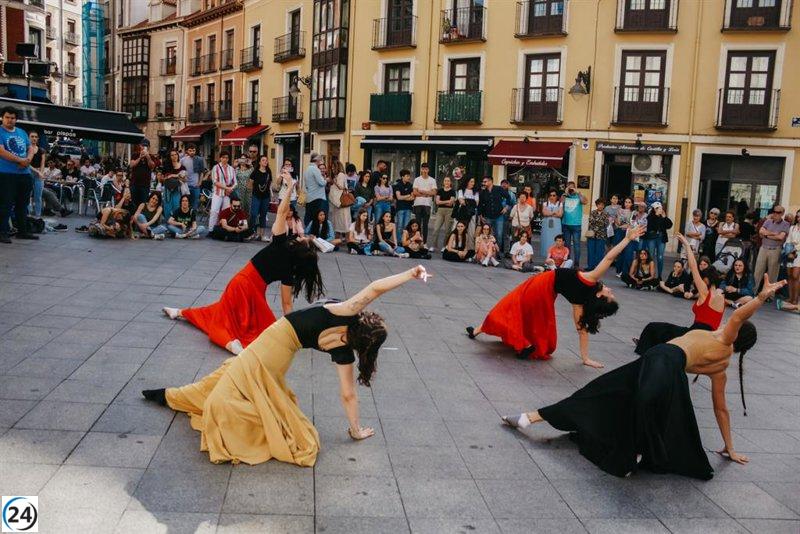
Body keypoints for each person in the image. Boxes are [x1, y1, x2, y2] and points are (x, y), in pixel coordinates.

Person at [500, 276, 785, 480]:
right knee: (602, 388)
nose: (728, 320)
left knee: (644, 400)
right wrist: (729, 447)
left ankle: (629, 455)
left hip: (666, 362)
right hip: (656, 359)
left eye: (735, 325)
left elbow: (737, 319)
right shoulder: (720, 369)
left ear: (739, 337)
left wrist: (760, 298)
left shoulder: (724, 341)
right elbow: (721, 409)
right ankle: (530, 417)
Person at [145, 265, 430, 466]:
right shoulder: (345, 349)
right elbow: (348, 394)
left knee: (225, 391)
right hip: (277, 352)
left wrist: (410, 273)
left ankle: (186, 402)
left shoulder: (347, 312)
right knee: (225, 376)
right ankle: (171, 395)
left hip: (272, 346)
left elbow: (375, 288)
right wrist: (354, 430)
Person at [163, 172, 324, 355]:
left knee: (219, 320)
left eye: (305, 241)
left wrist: (290, 187)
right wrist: (293, 333)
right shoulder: (290, 271)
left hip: (242, 283)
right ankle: (179, 312)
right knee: (223, 314)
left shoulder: (281, 242)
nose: (304, 238)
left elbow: (281, 210)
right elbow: (287, 306)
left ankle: (229, 343)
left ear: (300, 249)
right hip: (254, 293)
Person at [467, 225, 645, 367]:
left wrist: (627, 239)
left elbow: (609, 258)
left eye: (610, 294)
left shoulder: (592, 279)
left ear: (600, 296)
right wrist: (585, 358)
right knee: (520, 311)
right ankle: (499, 337)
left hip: (542, 285)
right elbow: (582, 331)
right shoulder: (581, 302)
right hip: (546, 292)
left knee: (509, 306)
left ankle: (499, 337)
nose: (611, 291)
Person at [634, 234, 726, 355]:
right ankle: (648, 345)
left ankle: (644, 346)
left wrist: (686, 244)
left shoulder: (706, 293)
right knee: (665, 332)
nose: (699, 280)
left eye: (702, 278)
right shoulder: (720, 296)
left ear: (707, 279)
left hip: (695, 335)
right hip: (701, 336)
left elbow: (693, 266)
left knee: (653, 327)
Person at [0, 106, 36, 243]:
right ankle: (3, 232)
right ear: (2, 118)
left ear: (16, 119)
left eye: (13, 118)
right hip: (6, 174)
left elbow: (30, 148)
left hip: (24, 174)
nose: (10, 120)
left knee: (23, 204)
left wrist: (28, 160)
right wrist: (20, 160)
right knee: (5, 204)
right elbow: (1, 152)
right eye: (7, 117)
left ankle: (23, 231)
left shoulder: (21, 132)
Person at [753, 205, 790, 292]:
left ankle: (769, 295)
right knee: (757, 272)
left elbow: (780, 237)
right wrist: (773, 234)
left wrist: (766, 235)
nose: (775, 214)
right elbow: (761, 232)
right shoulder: (768, 221)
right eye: (774, 211)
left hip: (775, 250)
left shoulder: (786, 224)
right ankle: (753, 292)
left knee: (772, 274)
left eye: (778, 212)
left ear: (782, 214)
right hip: (763, 248)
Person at [477, 176, 509, 256]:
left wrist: (506, 207)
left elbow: (509, 197)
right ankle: (487, 252)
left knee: (499, 234)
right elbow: (480, 204)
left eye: (485, 181)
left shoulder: (499, 189)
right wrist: (480, 215)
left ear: (491, 181)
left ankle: (497, 253)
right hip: (487, 216)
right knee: (487, 234)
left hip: (499, 216)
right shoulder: (482, 192)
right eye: (483, 182)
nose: (483, 183)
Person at [561, 181, 588, 268]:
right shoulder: (565, 196)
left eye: (572, 187)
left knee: (576, 245)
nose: (571, 189)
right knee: (567, 245)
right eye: (569, 187)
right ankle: (568, 263)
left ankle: (576, 264)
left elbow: (585, 202)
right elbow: (560, 203)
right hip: (566, 224)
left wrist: (578, 193)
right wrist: (565, 193)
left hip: (576, 224)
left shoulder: (578, 195)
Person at [643, 201, 673, 278]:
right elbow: (651, 226)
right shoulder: (650, 217)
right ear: (654, 209)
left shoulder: (663, 217)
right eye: (658, 208)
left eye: (661, 208)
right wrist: (656, 216)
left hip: (661, 239)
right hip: (652, 239)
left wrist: (665, 217)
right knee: (651, 256)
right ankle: (650, 274)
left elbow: (669, 225)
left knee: (660, 257)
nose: (660, 209)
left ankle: (659, 276)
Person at [208, 151, 237, 230]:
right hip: (218, 193)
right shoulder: (216, 168)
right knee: (214, 211)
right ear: (220, 158)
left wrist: (231, 189)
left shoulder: (231, 169)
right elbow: (215, 182)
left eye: (227, 158)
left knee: (225, 212)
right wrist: (227, 188)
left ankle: (223, 229)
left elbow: (235, 182)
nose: (225, 159)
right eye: (223, 157)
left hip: (227, 194)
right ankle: (211, 229)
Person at [779, 209, 800, 311]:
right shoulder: (792, 228)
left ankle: (796, 299)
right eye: (798, 216)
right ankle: (790, 298)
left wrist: (795, 250)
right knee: (790, 275)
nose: (799, 218)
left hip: (798, 253)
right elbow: (788, 241)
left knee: (796, 276)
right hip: (790, 252)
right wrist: (788, 251)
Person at [412, 162, 437, 247]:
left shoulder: (432, 180)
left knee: (425, 225)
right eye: (423, 169)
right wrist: (426, 194)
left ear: (428, 170)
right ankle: (416, 241)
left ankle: (425, 243)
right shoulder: (417, 179)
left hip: (427, 205)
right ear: (421, 169)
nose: (425, 171)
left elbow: (434, 192)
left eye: (426, 169)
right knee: (417, 224)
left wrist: (422, 191)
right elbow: (415, 192)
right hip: (418, 204)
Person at [248, 155, 272, 243]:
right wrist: (252, 193)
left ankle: (262, 235)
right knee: (254, 214)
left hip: (265, 196)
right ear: (259, 162)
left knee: (263, 215)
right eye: (263, 160)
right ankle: (251, 233)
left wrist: (271, 195)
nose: (265, 161)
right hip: (256, 196)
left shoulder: (268, 172)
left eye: (266, 160)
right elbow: (250, 184)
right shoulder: (255, 172)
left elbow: (270, 184)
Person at [327, 160, 352, 243]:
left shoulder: (340, 175)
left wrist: (334, 182)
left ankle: (347, 240)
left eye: (334, 167)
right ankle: (338, 240)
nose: (333, 169)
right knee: (340, 222)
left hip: (341, 202)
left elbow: (341, 187)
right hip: (339, 203)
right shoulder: (339, 175)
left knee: (344, 222)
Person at [430, 176, 456, 252]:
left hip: (449, 211)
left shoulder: (453, 191)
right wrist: (447, 201)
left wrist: (443, 201)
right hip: (440, 211)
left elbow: (451, 203)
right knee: (436, 228)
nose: (447, 182)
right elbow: (437, 202)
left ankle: (445, 246)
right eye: (445, 181)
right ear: (443, 182)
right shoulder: (440, 191)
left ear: (450, 182)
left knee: (448, 230)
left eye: (448, 181)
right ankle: (433, 246)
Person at [129, 141, 156, 208]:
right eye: (143, 146)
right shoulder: (135, 155)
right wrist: (140, 158)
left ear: (148, 147)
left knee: (143, 204)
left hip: (145, 185)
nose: (144, 148)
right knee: (133, 203)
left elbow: (152, 167)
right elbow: (131, 165)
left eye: (146, 146)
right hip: (134, 184)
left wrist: (148, 157)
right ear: (140, 146)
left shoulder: (151, 156)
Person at [303, 152, 327, 225]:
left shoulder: (307, 169)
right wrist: (326, 180)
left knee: (309, 216)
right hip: (317, 197)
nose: (321, 160)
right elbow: (321, 183)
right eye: (320, 159)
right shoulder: (315, 169)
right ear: (317, 160)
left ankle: (308, 232)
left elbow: (306, 185)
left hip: (310, 196)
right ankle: (314, 233)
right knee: (316, 218)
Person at [162, 149, 187, 220]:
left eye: (175, 154)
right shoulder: (166, 166)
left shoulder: (182, 167)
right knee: (167, 206)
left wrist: (173, 175)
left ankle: (175, 223)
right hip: (168, 189)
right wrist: (178, 176)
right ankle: (168, 223)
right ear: (169, 157)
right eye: (172, 155)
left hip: (177, 189)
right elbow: (164, 178)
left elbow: (185, 179)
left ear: (178, 155)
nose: (174, 156)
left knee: (177, 206)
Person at [180, 144, 206, 209]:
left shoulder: (199, 159)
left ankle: (193, 218)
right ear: (187, 151)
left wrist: (199, 183)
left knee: (195, 205)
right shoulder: (183, 160)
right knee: (185, 204)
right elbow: (179, 172)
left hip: (195, 185)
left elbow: (202, 172)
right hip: (186, 185)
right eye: (190, 150)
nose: (192, 152)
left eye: (193, 150)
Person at [586, 198, 609, 271]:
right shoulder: (593, 212)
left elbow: (605, 224)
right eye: (599, 204)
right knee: (591, 251)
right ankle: (590, 266)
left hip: (601, 236)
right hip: (591, 235)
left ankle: (598, 268)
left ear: (604, 206)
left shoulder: (606, 214)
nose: (600, 206)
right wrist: (599, 221)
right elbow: (590, 221)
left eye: (602, 205)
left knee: (600, 252)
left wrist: (596, 221)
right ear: (596, 205)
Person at [454, 177, 479, 243]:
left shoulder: (475, 192)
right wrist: (471, 202)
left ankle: (469, 247)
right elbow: (461, 201)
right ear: (467, 182)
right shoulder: (461, 190)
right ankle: (457, 244)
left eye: (473, 182)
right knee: (459, 229)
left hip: (471, 213)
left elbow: (477, 202)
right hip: (462, 213)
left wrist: (466, 201)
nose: (473, 183)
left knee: (471, 231)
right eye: (471, 181)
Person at [28, 131, 47, 218]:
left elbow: (43, 163)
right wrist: (38, 171)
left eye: (36, 137)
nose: (34, 138)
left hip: (39, 173)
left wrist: (41, 173)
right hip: (28, 172)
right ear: (29, 138)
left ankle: (38, 216)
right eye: (32, 136)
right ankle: (27, 215)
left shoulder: (41, 150)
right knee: (27, 195)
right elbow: (27, 163)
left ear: (38, 138)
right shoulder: (26, 149)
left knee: (38, 196)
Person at [539, 190, 563, 257]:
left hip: (556, 225)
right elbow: (544, 213)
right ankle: (547, 257)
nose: (552, 197)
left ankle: (556, 256)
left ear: (556, 196)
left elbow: (560, 214)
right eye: (550, 195)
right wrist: (554, 213)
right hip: (547, 225)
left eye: (554, 195)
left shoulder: (559, 203)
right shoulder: (545, 204)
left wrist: (549, 213)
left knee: (556, 240)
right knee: (546, 240)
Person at [393, 169, 414, 242]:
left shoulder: (410, 185)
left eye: (409, 176)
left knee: (406, 226)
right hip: (400, 208)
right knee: (399, 226)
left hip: (408, 208)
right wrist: (407, 195)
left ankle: (404, 241)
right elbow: (398, 197)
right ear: (402, 177)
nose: (409, 177)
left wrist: (403, 197)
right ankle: (398, 241)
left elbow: (412, 197)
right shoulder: (398, 185)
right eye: (407, 176)